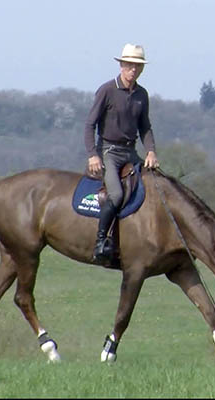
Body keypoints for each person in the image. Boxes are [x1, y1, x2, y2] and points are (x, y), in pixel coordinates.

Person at [84, 43, 160, 263]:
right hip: (108, 151)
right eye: (129, 65)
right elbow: (89, 125)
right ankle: (101, 242)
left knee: (153, 183)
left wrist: (151, 152)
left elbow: (145, 127)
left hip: (130, 151)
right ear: (121, 65)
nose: (133, 70)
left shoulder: (142, 95)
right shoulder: (107, 90)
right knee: (116, 195)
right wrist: (92, 154)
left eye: (137, 66)